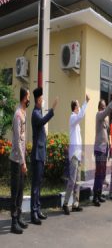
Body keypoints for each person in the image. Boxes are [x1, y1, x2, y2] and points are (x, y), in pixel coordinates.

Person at [31, 87, 58, 225]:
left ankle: (38, 209)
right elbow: (42, 121)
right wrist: (52, 109)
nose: (43, 101)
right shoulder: (35, 113)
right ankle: (33, 213)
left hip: (40, 153)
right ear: (38, 100)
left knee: (39, 184)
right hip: (36, 154)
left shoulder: (38, 112)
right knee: (35, 185)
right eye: (41, 99)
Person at [62, 94, 90, 215]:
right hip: (73, 155)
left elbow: (78, 140)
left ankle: (75, 204)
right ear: (75, 107)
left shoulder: (76, 124)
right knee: (72, 180)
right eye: (78, 105)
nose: (79, 107)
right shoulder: (73, 118)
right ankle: (65, 203)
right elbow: (81, 115)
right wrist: (86, 102)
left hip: (77, 154)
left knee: (77, 181)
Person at [9, 87, 30, 234]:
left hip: (21, 159)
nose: (29, 99)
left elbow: (23, 139)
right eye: (28, 96)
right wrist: (22, 162)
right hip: (16, 160)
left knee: (21, 190)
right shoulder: (17, 115)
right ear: (24, 98)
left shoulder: (24, 113)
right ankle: (13, 221)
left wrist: (25, 159)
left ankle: (19, 216)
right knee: (15, 191)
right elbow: (17, 141)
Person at [93, 94, 112, 207]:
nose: (103, 108)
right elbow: (106, 112)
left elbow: (107, 133)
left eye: (104, 106)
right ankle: (95, 197)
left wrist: (109, 147)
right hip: (99, 148)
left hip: (105, 148)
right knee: (99, 173)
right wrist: (111, 102)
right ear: (99, 108)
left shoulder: (105, 119)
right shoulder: (99, 115)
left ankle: (99, 194)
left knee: (102, 173)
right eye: (102, 107)